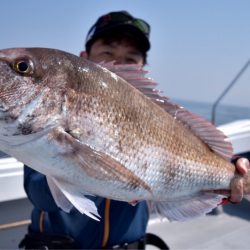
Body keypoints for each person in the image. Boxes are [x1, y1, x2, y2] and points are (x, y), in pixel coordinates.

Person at [19, 11, 250, 249]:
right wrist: (86, 167)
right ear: (84, 59)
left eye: (131, 58)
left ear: (142, 67)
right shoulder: (47, 120)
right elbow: (39, 195)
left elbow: (189, 156)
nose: (117, 64)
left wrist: (228, 175)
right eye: (107, 53)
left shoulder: (158, 116)